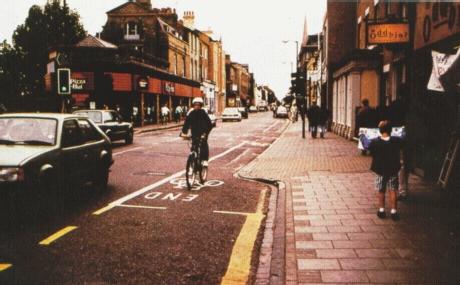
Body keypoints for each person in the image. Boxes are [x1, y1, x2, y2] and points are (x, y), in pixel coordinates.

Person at [369, 120, 403, 221]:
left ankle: (381, 210)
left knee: (381, 190)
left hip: (380, 170)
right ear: (391, 130)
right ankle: (394, 211)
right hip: (392, 169)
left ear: (379, 130)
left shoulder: (375, 142)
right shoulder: (396, 140)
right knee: (393, 190)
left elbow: (372, 153)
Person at [180, 97, 213, 167]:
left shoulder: (203, 113)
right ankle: (192, 163)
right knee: (193, 147)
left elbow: (209, 125)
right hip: (194, 133)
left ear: (201, 106)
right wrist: (183, 133)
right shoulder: (191, 113)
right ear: (193, 105)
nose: (197, 106)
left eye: (198, 105)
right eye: (195, 105)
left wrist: (205, 133)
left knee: (204, 145)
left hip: (203, 133)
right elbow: (186, 124)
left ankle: (205, 160)